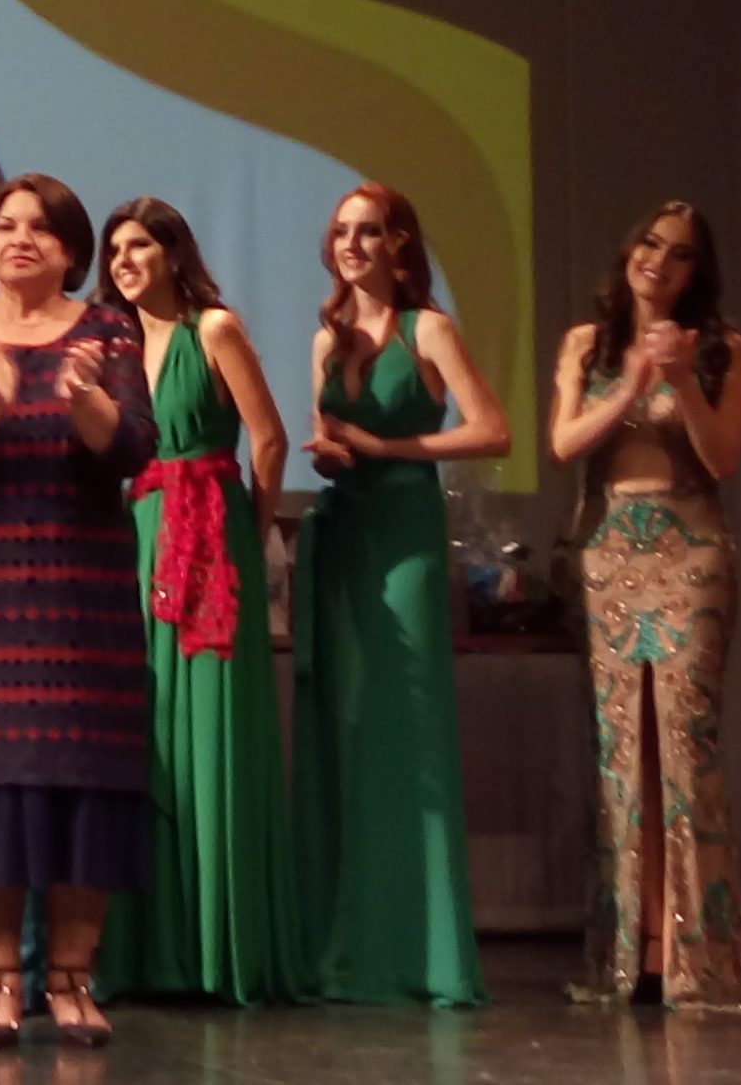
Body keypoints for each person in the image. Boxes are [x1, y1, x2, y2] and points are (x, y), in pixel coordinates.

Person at [0, 172, 156, 1049]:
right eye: (6, 225)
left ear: (73, 250)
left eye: (41, 229)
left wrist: (83, 396)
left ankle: (73, 977)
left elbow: (129, 446)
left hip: (81, 593)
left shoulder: (108, 328)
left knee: (87, 778)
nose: (20, 239)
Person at [548, 201, 741, 1009]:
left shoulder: (721, 347)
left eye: (679, 255)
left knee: (683, 743)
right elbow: (565, 444)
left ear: (695, 272)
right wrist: (634, 383)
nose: (660, 263)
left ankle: (696, 952)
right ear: (629, 251)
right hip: (608, 553)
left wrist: (680, 379)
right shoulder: (589, 344)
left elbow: (724, 456)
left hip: (692, 551)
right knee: (622, 750)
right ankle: (634, 947)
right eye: (650, 244)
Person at [91, 197, 313, 1006]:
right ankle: (150, 952)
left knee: (212, 739)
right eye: (114, 248)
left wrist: (249, 541)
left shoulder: (212, 328)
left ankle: (221, 953)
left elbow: (271, 437)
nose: (122, 260)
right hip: (137, 534)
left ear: (172, 251)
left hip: (211, 537)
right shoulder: (110, 342)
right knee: (146, 738)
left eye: (138, 245)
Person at [290, 181, 506, 1007]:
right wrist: (335, 454)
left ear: (400, 244)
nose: (352, 243)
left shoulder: (429, 328)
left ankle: (425, 950)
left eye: (369, 231)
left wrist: (385, 445)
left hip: (405, 534)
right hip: (344, 530)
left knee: (404, 729)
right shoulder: (327, 337)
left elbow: (493, 430)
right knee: (346, 726)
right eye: (342, 230)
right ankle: (349, 940)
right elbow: (329, 437)